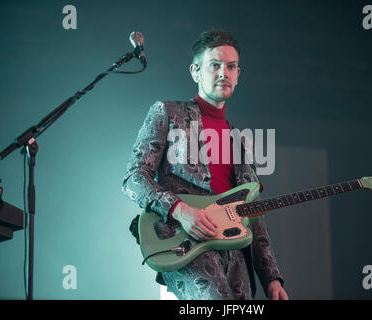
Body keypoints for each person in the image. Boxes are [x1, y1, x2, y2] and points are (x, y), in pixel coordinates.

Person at [122, 30, 288, 300]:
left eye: (231, 66)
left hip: (236, 252)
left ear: (237, 75)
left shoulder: (242, 143)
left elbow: (254, 213)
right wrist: (180, 210)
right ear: (195, 71)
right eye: (215, 65)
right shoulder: (167, 112)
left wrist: (271, 278)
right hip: (185, 242)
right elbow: (133, 178)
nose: (224, 72)